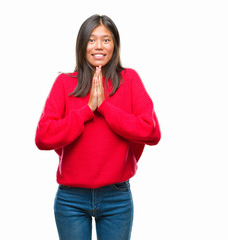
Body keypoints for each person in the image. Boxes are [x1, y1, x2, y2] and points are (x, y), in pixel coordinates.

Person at [35, 14, 161, 240]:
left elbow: (151, 132)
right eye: (92, 40)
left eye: (106, 39)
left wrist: (104, 107)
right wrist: (87, 109)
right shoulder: (64, 83)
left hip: (117, 197)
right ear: (82, 45)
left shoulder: (129, 79)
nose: (98, 46)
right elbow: (43, 137)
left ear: (115, 45)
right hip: (71, 198)